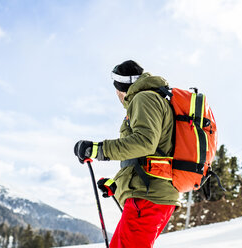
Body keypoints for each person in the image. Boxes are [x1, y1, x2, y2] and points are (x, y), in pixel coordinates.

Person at [74, 60, 180, 248]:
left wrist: (98, 149)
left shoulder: (144, 98)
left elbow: (144, 143)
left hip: (148, 198)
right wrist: (116, 185)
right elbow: (148, 156)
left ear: (120, 88)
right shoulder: (153, 99)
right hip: (150, 195)